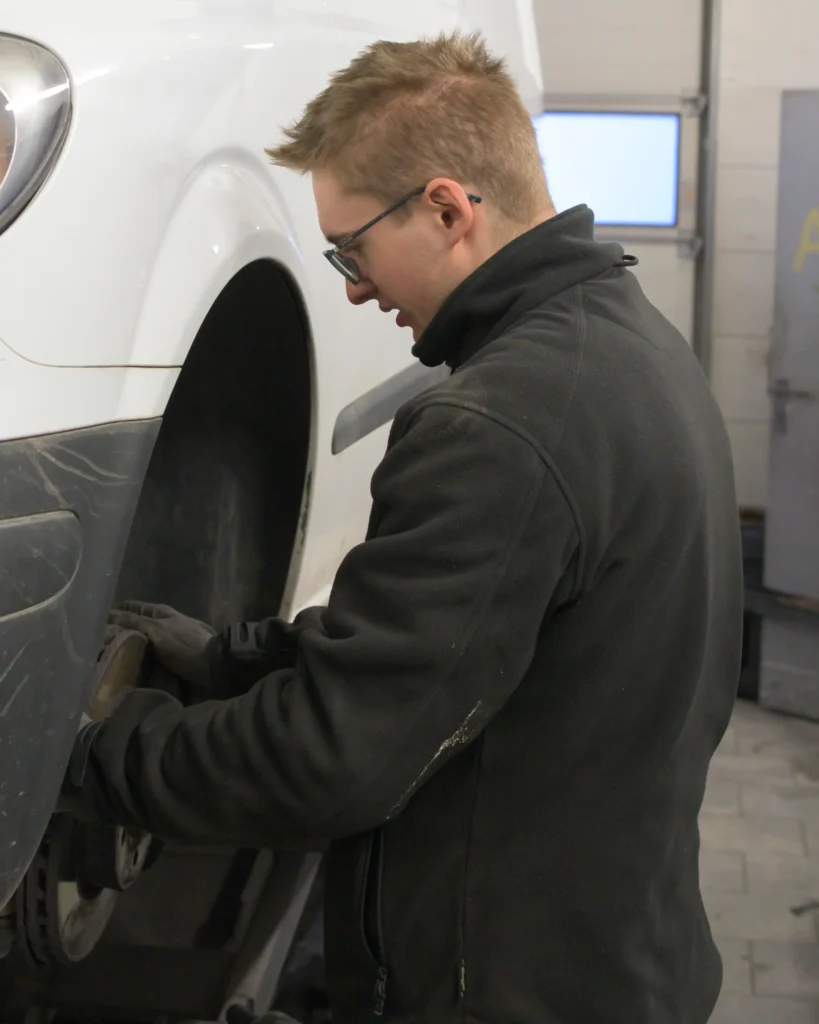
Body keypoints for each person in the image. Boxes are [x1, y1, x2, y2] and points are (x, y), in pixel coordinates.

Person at [60, 31, 744, 1024]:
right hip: (615, 955)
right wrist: (229, 658)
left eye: (352, 248)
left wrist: (86, 757)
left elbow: (328, 762)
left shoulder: (497, 428)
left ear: (447, 210)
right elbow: (468, 649)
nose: (351, 283)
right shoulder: (628, 348)